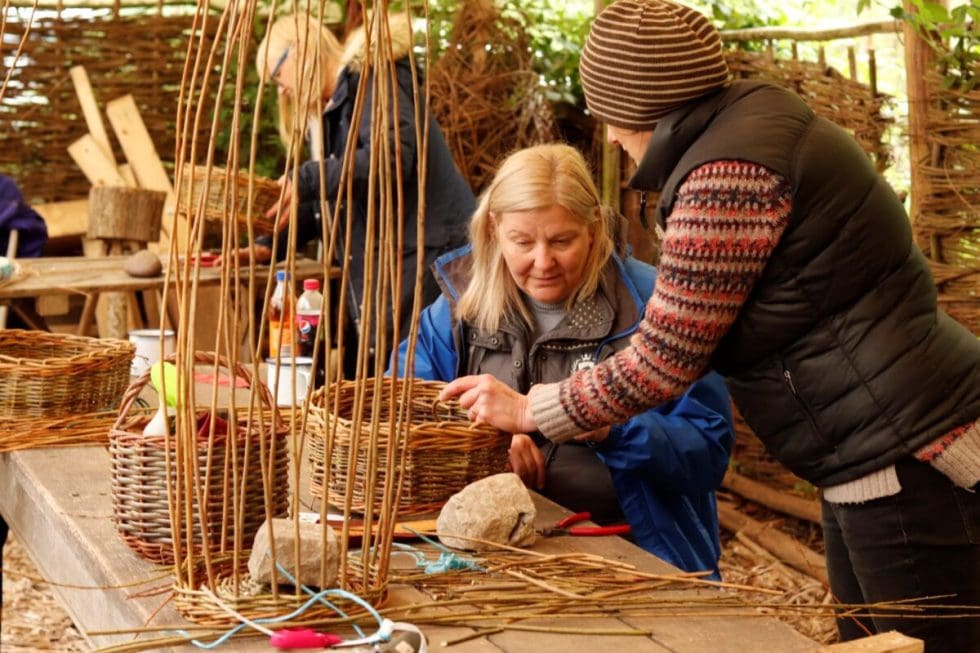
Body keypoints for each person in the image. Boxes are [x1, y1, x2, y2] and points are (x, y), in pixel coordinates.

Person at [440, 2, 980, 649]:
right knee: (871, 638)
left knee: (919, 640)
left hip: (901, 447)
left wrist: (536, 408)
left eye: (610, 112)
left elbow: (664, 360)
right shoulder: (752, 128)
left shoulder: (729, 173)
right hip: (869, 444)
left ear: (640, 102)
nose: (610, 136)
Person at [393, 144, 734, 578]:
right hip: (492, 550)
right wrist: (484, 445)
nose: (542, 262)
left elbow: (707, 452)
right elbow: (397, 409)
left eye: (561, 241)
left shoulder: (654, 305)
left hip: (638, 553)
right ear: (495, 229)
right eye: (522, 242)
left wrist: (610, 426)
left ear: (592, 227)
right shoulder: (461, 305)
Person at [242, 12, 474, 377]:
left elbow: (391, 158)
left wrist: (305, 178)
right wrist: (272, 243)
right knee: (382, 375)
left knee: (414, 375)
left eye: (276, 75)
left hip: (430, 251)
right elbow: (332, 197)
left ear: (301, 52)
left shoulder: (375, 78)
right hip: (402, 253)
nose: (280, 89)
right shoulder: (333, 112)